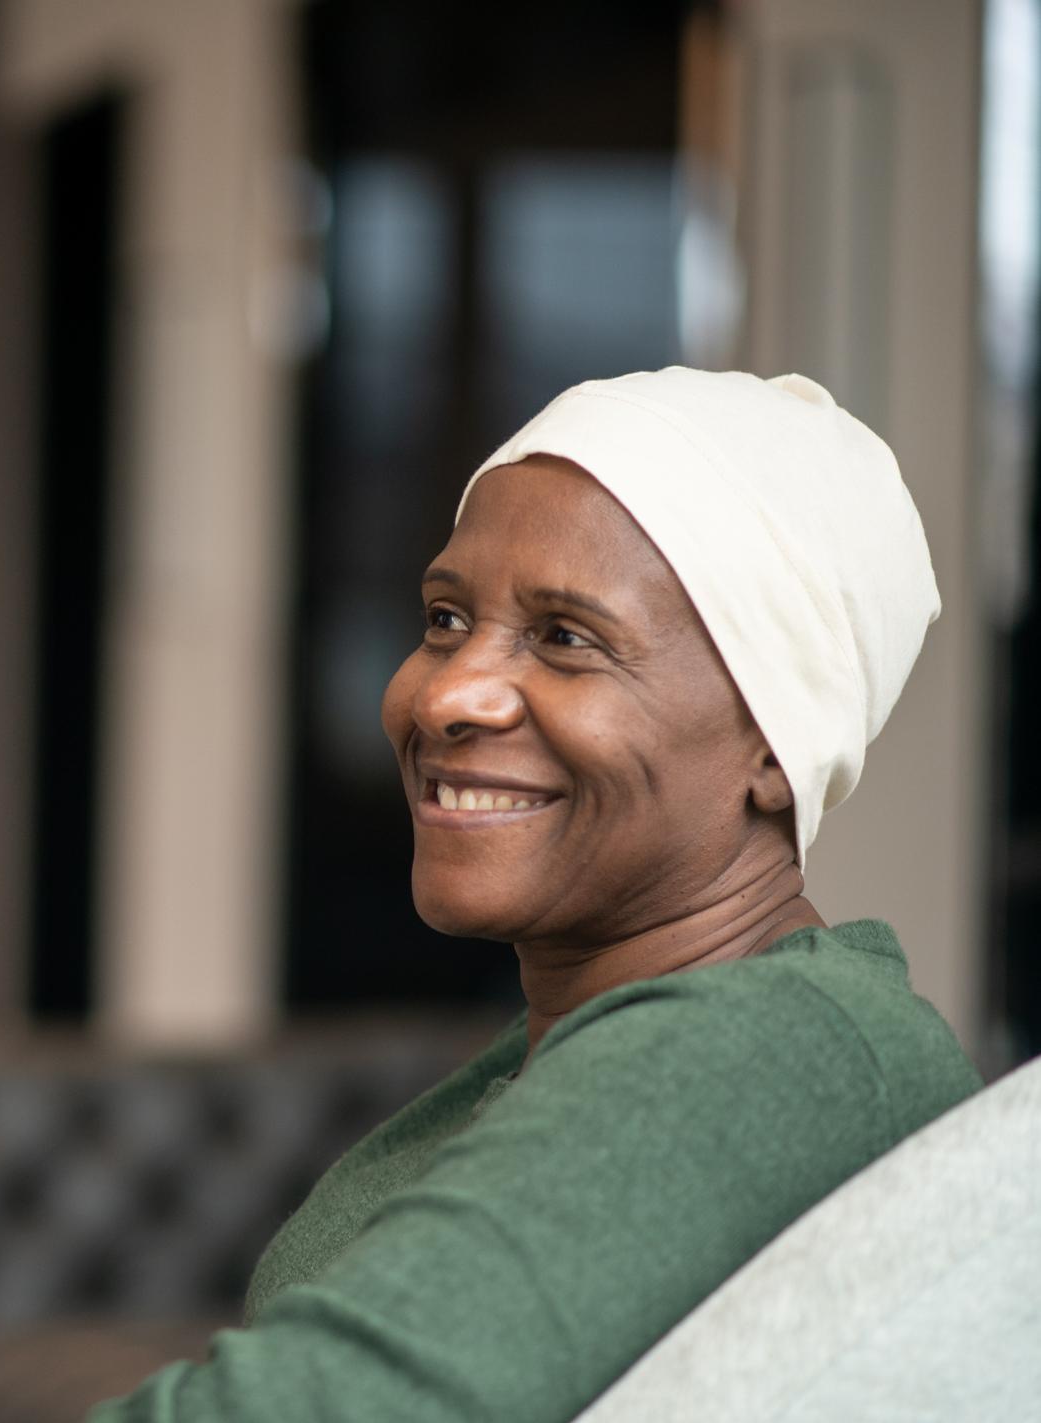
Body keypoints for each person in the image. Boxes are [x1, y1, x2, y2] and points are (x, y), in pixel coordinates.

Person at [89, 368, 981, 1422]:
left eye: (564, 637)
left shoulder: (779, 1045)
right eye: (442, 618)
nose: (444, 693)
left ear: (771, 746)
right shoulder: (544, 1063)